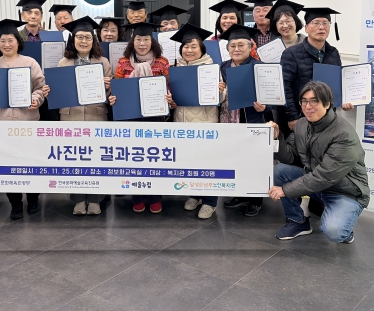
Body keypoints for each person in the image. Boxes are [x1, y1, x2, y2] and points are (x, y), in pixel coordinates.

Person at [267, 81, 370, 243]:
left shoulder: (343, 134)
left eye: (314, 101)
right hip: (318, 184)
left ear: (327, 104)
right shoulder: (302, 125)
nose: (308, 106)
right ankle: (297, 221)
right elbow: (290, 157)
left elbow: (324, 176)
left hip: (345, 191)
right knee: (280, 171)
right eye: (304, 101)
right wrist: (277, 137)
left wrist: (285, 190)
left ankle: (346, 230)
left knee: (334, 231)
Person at [0, 19, 46, 219]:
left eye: (10, 40)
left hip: (27, 121)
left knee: (30, 162)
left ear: (18, 41)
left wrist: (36, 99)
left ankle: (33, 198)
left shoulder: (30, 63)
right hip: (1, 124)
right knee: (6, 163)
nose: (6, 44)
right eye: (2, 41)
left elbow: (40, 87)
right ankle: (15, 202)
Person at [46, 16, 111, 215]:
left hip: (95, 115)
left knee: (95, 160)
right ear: (72, 40)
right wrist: (51, 90)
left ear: (94, 40)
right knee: (74, 160)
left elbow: (111, 95)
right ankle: (78, 199)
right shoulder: (63, 63)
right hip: (70, 116)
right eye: (79, 37)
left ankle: (95, 200)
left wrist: (109, 86)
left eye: (88, 37)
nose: (84, 41)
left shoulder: (103, 62)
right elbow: (58, 92)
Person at [111, 22, 170, 214]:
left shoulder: (162, 62)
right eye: (138, 39)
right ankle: (137, 197)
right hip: (130, 117)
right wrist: (113, 97)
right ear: (132, 41)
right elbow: (117, 87)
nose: (142, 43)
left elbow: (168, 85)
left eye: (146, 39)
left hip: (154, 118)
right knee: (134, 158)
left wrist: (167, 95)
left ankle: (155, 197)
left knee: (154, 158)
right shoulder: (123, 62)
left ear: (152, 41)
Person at [165, 24, 219, 219]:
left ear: (202, 48)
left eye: (193, 46)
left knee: (207, 162)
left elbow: (221, 98)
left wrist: (220, 91)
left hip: (205, 122)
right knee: (190, 161)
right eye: (186, 47)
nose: (189, 50)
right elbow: (174, 98)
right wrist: (171, 102)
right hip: (182, 122)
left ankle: (210, 201)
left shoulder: (211, 68)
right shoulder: (175, 69)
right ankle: (195, 195)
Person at [217, 24, 270, 216]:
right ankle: (240, 194)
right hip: (229, 121)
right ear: (227, 48)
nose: (236, 49)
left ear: (250, 47)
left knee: (254, 161)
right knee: (235, 160)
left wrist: (265, 107)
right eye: (232, 46)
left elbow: (272, 97)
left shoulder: (259, 67)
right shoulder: (223, 67)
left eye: (241, 45)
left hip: (251, 120)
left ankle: (255, 199)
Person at [280, 7, 350, 133]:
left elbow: (338, 82)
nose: (321, 27)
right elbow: (285, 87)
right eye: (316, 23)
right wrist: (292, 117)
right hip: (302, 117)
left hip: (327, 118)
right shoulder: (291, 54)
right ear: (306, 28)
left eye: (325, 23)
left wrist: (345, 100)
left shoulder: (333, 52)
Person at [265, 0, 306, 138]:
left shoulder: (308, 44)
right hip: (280, 105)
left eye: (288, 21)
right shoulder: (268, 51)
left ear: (296, 22)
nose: (285, 25)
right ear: (275, 26)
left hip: (305, 102)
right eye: (280, 22)